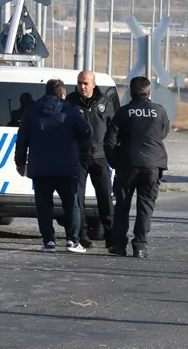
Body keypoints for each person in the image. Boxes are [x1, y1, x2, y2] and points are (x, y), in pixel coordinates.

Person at [14, 79, 91, 253]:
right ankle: (72, 240)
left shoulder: (32, 111)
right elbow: (86, 132)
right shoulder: (70, 110)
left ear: (46, 92)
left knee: (43, 206)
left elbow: (22, 139)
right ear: (62, 94)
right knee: (71, 204)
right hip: (67, 166)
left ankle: (49, 241)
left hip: (40, 167)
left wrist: (20, 163)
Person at [106, 76, 170, 259]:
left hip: (127, 164)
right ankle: (140, 246)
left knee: (122, 206)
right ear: (149, 93)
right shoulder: (159, 111)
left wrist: (115, 162)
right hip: (153, 165)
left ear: (130, 93)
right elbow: (163, 133)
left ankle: (118, 245)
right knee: (146, 206)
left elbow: (109, 142)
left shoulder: (124, 112)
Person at [66, 70, 118, 245]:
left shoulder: (105, 103)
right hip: (78, 158)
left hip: (100, 157)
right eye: (80, 82)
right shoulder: (70, 102)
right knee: (77, 198)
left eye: (86, 83)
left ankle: (111, 237)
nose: (82, 86)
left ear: (93, 84)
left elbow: (114, 130)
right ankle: (81, 235)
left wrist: (113, 152)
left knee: (105, 198)